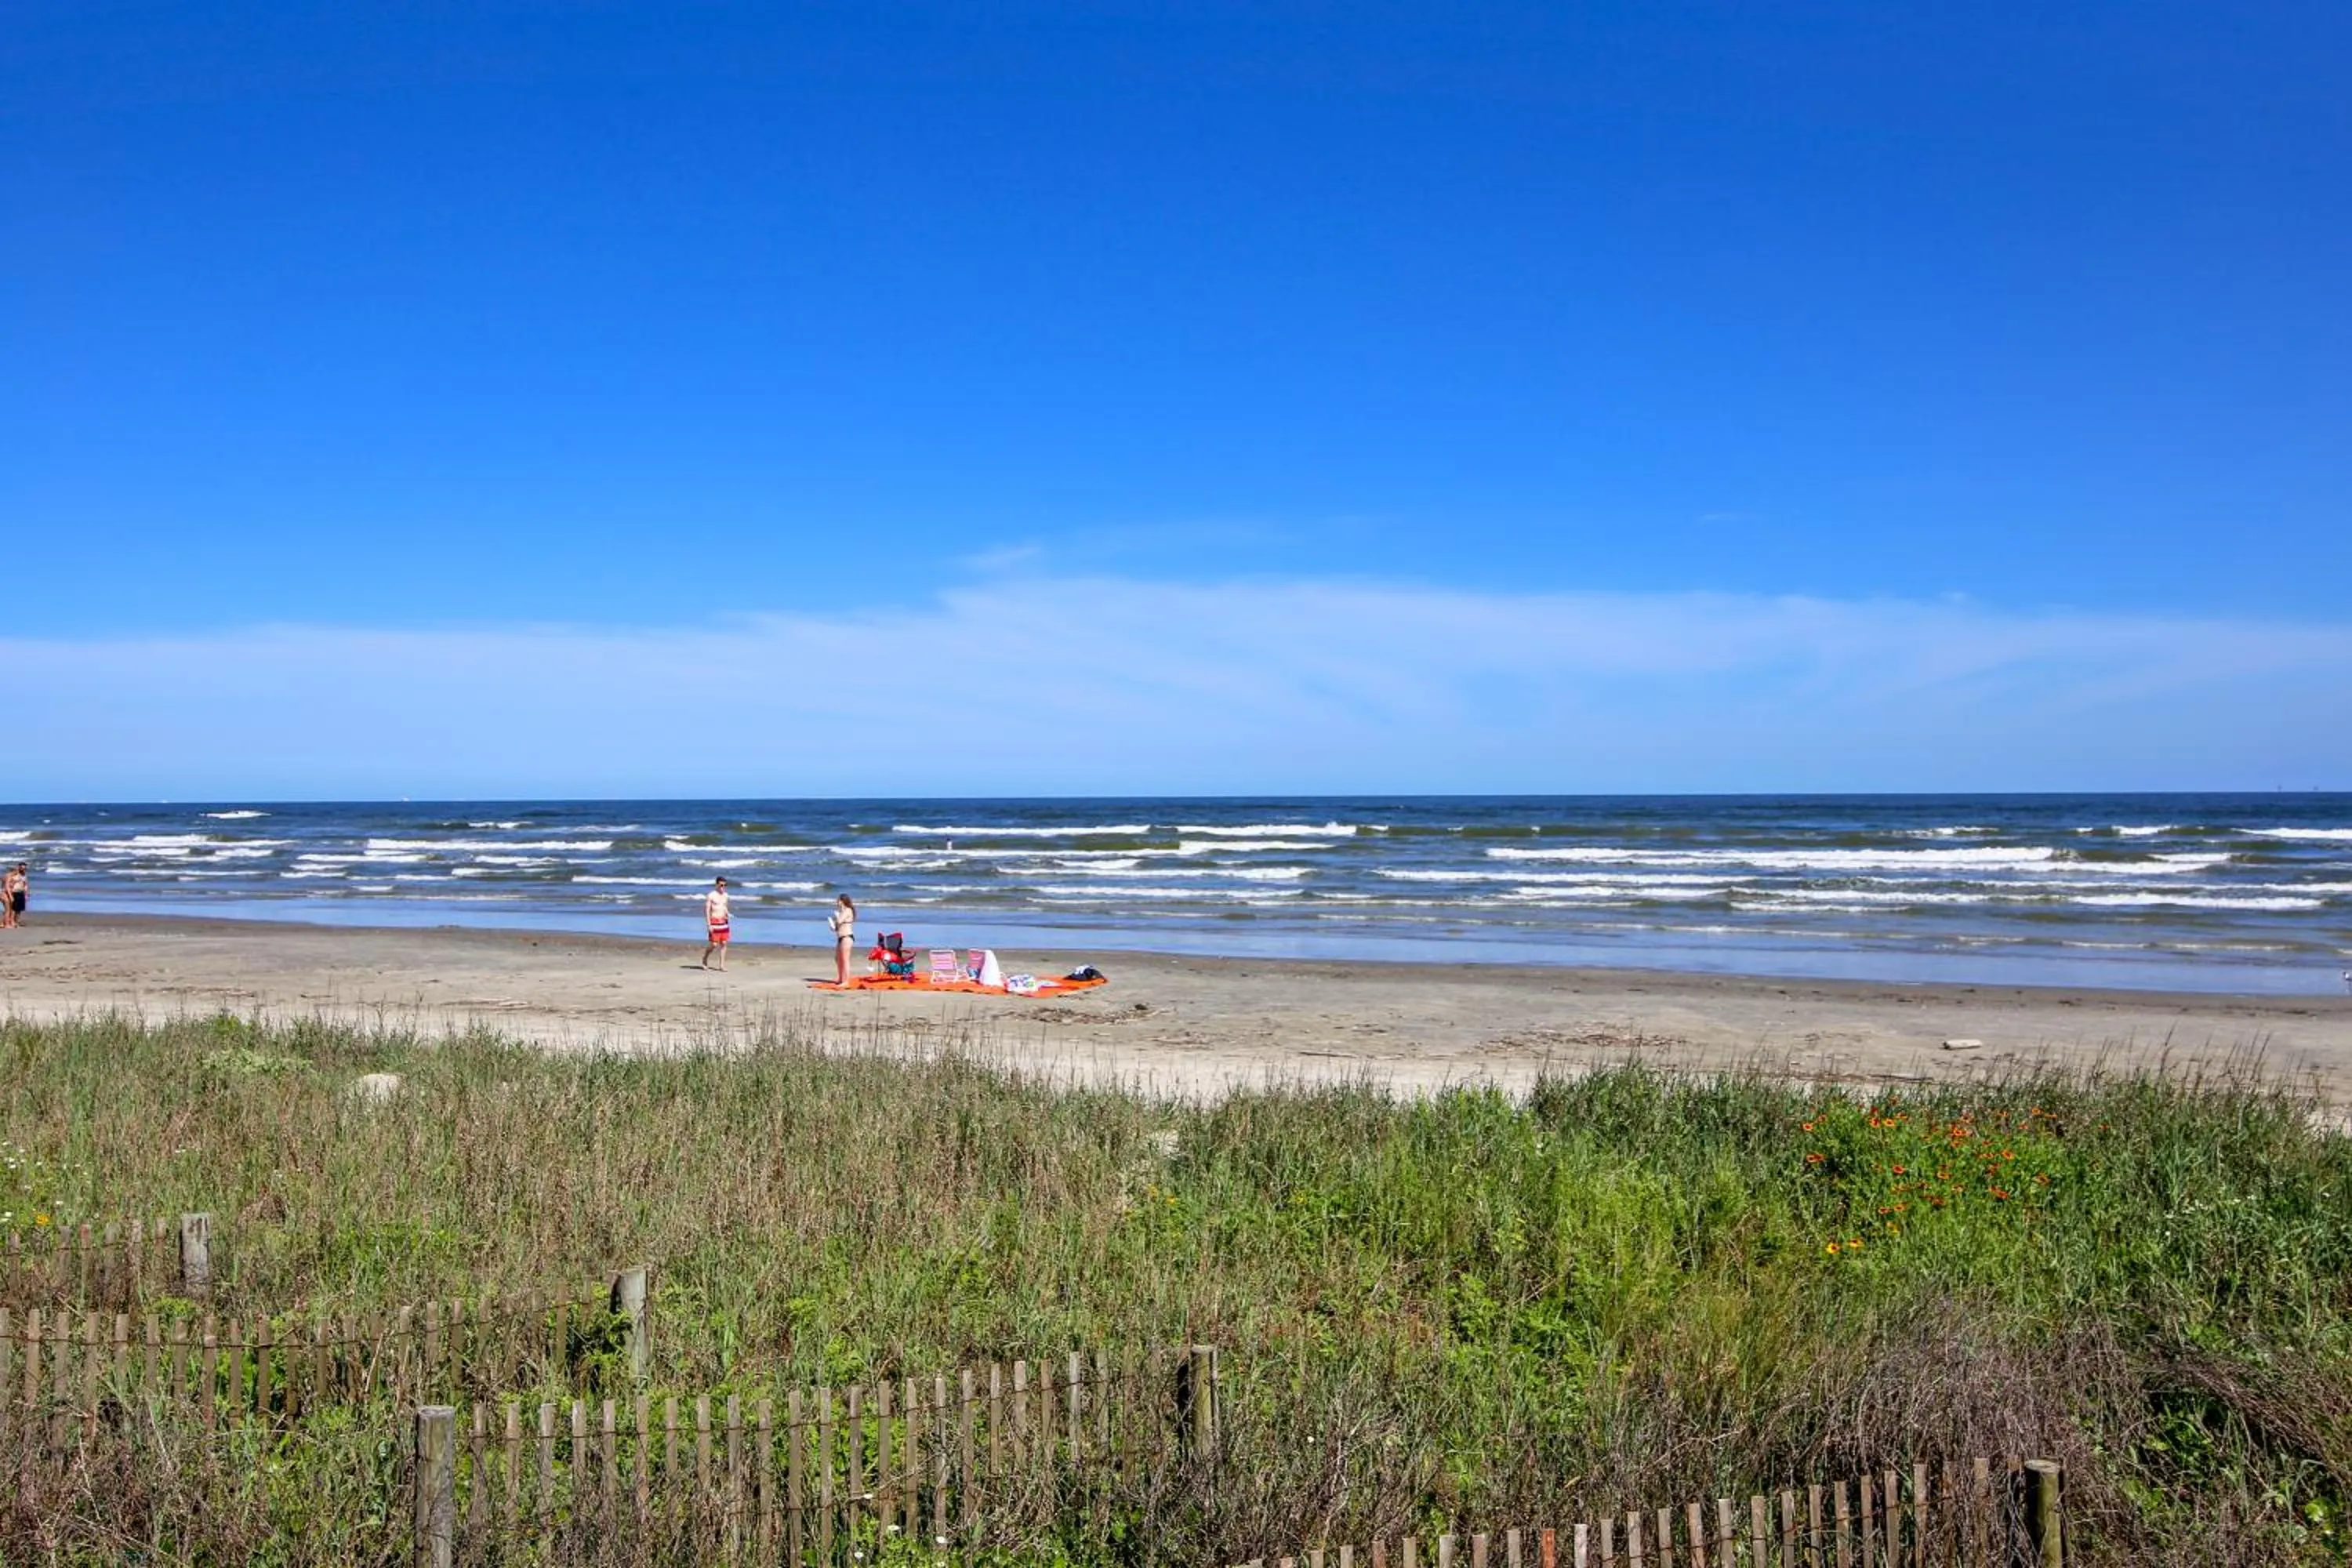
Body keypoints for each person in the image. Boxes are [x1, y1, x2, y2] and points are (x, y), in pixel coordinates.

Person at [701, 877, 731, 971]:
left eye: (725, 885)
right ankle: (705, 958)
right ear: (717, 885)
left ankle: (722, 965)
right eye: (721, 885)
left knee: (724, 943)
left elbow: (724, 907)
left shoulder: (726, 895)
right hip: (714, 922)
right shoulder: (711, 895)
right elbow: (707, 911)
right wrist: (709, 924)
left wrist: (728, 914)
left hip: (724, 922)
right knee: (714, 944)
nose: (723, 887)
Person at [828, 894, 856, 985]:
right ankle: (840, 978)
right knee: (838, 958)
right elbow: (836, 927)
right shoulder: (842, 912)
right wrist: (832, 924)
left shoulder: (848, 910)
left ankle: (846, 981)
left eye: (838, 901)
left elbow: (840, 921)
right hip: (840, 937)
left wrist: (837, 917)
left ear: (842, 901)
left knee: (845, 959)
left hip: (847, 937)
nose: (837, 903)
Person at [2, 863, 24, 930]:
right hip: (4, 894)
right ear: (14, 871)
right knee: (8, 910)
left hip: (3, 893)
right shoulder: (9, 876)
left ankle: (4, 923)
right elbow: (7, 887)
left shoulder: (5, 876)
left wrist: (15, 882)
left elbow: (5, 884)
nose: (18, 872)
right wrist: (11, 896)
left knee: (9, 909)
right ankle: (7, 925)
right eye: (17, 870)